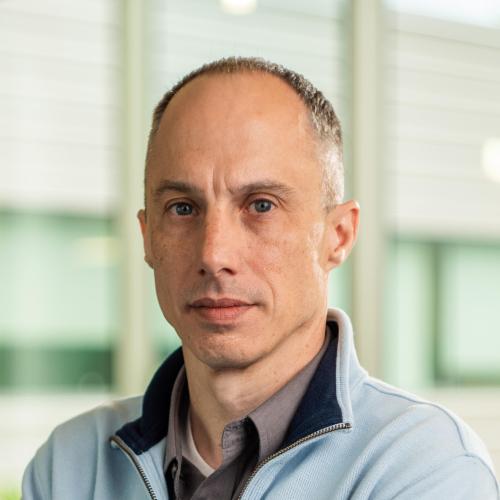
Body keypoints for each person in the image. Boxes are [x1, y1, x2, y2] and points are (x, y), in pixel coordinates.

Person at [22, 57, 499, 500]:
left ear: (338, 236)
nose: (214, 254)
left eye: (261, 205)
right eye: (183, 208)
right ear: (147, 238)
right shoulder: (69, 466)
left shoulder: (426, 468)